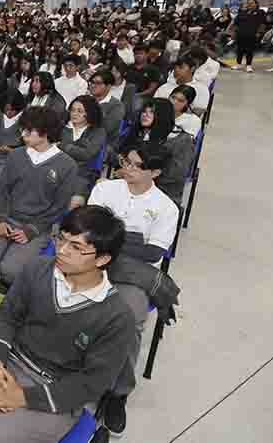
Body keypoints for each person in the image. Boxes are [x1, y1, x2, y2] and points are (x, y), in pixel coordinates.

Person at [0, 206, 135, 443]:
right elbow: (8, 316)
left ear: (103, 259)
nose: (62, 250)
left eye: (76, 247)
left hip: (57, 393)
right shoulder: (37, 268)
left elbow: (91, 383)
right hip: (9, 363)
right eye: (61, 239)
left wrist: (23, 397)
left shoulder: (117, 317)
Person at [88, 143, 179, 438]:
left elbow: (153, 252)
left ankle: (118, 392)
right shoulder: (105, 189)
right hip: (90, 261)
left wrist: (110, 238)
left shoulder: (166, 207)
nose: (127, 168)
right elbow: (87, 231)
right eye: (126, 161)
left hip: (132, 274)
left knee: (128, 319)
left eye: (137, 166)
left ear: (156, 172)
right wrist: (131, 239)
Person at [0, 106, 77, 292]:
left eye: (29, 130)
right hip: (7, 218)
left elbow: (59, 208)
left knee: (11, 271)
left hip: (37, 226)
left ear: (45, 132)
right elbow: (3, 191)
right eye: (23, 129)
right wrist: (1, 219)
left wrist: (31, 231)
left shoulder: (67, 165)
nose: (23, 134)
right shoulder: (16, 155)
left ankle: (5, 293)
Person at [120, 98, 194, 205]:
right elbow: (121, 155)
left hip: (163, 193)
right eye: (144, 111)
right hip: (131, 185)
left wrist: (140, 174)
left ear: (162, 115)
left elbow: (176, 175)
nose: (145, 115)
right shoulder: (139, 132)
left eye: (151, 112)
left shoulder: (182, 140)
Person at [59, 95, 107, 208]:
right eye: (73, 110)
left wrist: (64, 146)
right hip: (59, 170)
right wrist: (77, 148)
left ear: (90, 113)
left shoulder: (98, 132)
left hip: (83, 174)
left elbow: (87, 154)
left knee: (75, 202)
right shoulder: (62, 128)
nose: (74, 114)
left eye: (80, 111)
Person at [88, 69, 126, 144]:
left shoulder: (117, 106)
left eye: (98, 83)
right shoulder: (85, 99)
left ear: (108, 86)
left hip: (103, 144)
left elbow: (105, 130)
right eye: (92, 82)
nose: (92, 85)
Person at [232, 0, 264, 73]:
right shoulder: (243, 12)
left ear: (256, 4)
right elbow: (236, 23)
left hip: (252, 35)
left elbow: (262, 24)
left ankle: (248, 65)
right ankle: (238, 64)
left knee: (250, 50)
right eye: (249, 3)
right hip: (241, 34)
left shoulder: (260, 12)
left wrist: (259, 33)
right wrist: (234, 32)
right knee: (240, 50)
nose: (250, 4)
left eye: (252, 3)